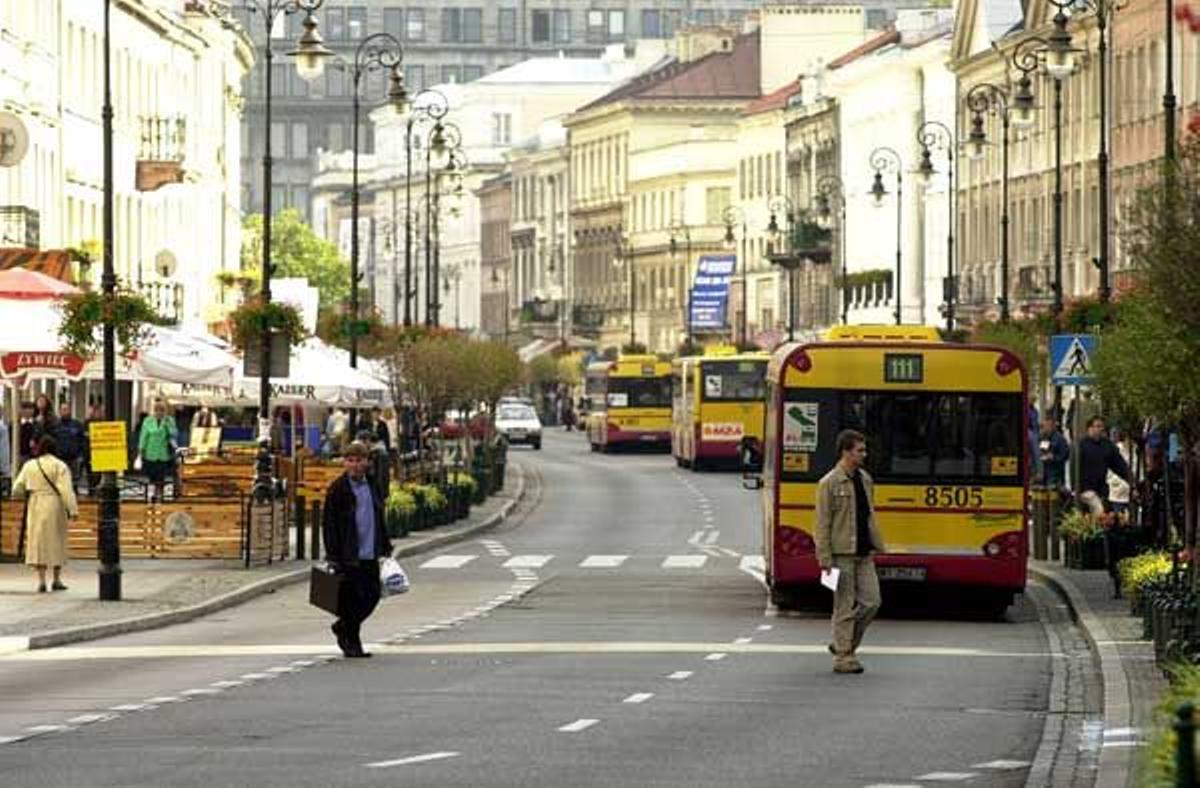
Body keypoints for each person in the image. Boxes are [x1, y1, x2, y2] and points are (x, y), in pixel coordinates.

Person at [814, 429, 885, 675]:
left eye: (864, 450)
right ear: (845, 451)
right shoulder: (829, 483)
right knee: (843, 606)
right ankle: (844, 657)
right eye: (860, 450)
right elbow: (822, 524)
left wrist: (878, 544)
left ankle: (842, 643)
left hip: (864, 553)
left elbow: (869, 516)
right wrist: (824, 559)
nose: (864, 455)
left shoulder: (865, 479)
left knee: (872, 602)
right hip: (840, 554)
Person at [321, 441, 392, 658]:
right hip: (348, 554)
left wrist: (385, 545)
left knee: (372, 596)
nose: (354, 465)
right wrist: (333, 556)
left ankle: (343, 628)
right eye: (350, 460)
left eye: (359, 460)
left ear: (367, 463)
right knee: (352, 600)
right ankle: (352, 643)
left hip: (370, 551)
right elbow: (329, 524)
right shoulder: (338, 490)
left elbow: (379, 517)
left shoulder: (372, 485)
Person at [11, 435, 78, 593]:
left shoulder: (30, 465)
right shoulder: (60, 465)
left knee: (39, 542)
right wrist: (73, 509)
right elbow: (66, 490)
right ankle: (56, 579)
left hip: (36, 504)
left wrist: (22, 495)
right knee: (57, 541)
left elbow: (17, 488)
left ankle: (41, 580)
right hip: (55, 504)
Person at [1077, 416, 1133, 511]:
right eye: (1097, 426)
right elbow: (1075, 467)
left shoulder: (1107, 445)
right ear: (1089, 428)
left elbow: (1119, 465)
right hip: (1085, 488)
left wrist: (1131, 481)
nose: (1100, 429)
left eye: (1102, 427)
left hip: (1101, 489)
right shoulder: (1081, 445)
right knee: (1099, 510)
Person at [138, 399, 178, 502]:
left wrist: (167, 425)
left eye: (162, 410)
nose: (159, 412)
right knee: (151, 477)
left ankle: (159, 495)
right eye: (157, 410)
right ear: (154, 411)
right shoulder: (148, 420)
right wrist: (141, 450)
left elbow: (174, 434)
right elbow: (143, 436)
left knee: (161, 478)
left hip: (163, 454)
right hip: (150, 453)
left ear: (165, 411)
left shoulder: (169, 420)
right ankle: (152, 494)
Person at [52, 402, 86, 490]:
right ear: (59, 411)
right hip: (60, 459)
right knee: (60, 483)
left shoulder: (77, 425)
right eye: (63, 410)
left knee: (74, 483)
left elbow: (82, 441)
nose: (65, 412)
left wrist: (81, 456)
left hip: (74, 458)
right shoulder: (55, 426)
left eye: (67, 409)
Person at [1037, 416, 1071, 492]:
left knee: (1055, 495)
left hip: (1056, 475)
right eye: (1044, 426)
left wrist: (1054, 457)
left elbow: (1065, 455)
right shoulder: (1042, 437)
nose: (1045, 428)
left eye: (1048, 426)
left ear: (1053, 426)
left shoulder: (1060, 439)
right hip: (1044, 474)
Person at [18, 401, 39, 466]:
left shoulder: (38, 425)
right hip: (19, 455)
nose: (27, 411)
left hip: (34, 457)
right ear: (21, 410)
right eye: (25, 409)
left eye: (30, 408)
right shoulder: (15, 424)